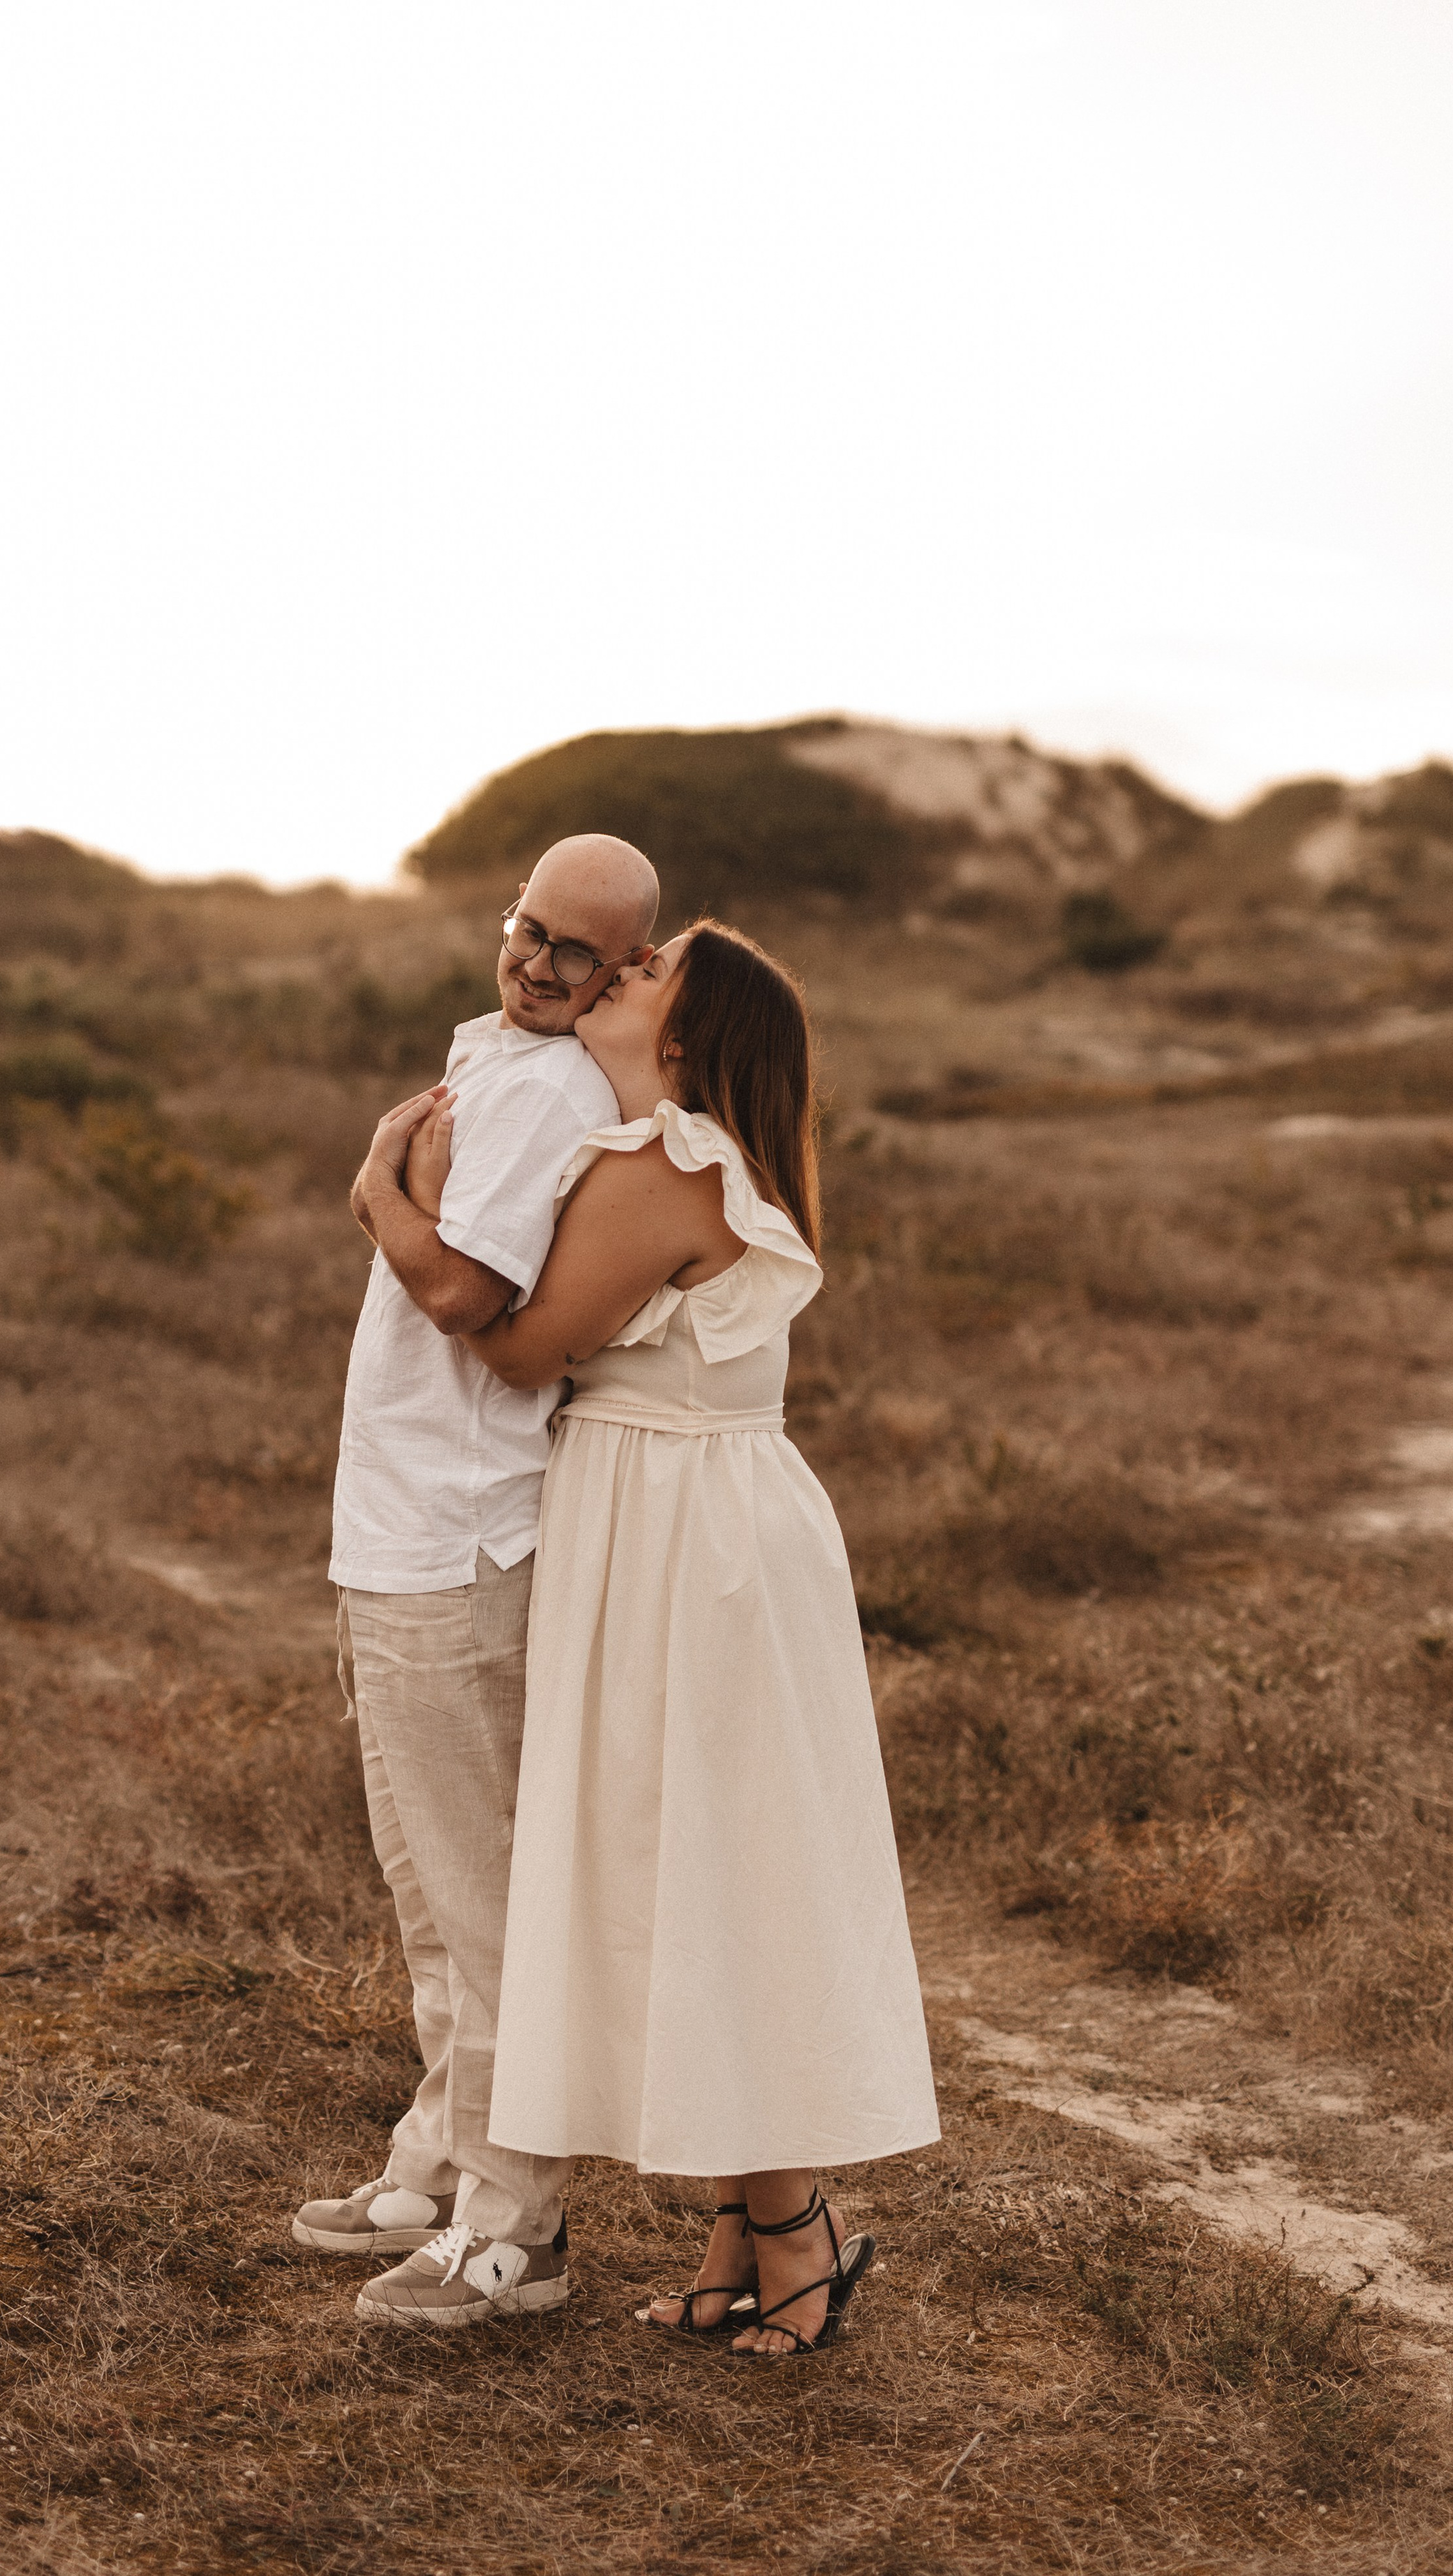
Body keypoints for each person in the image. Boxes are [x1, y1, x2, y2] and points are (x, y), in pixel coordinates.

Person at [380, 918, 939, 2355]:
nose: (611, 977)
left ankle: (790, 2225)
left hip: (685, 1542)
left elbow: (511, 1342)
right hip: (703, 1525)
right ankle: (740, 2226)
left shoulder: (660, 1165)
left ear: (681, 1041)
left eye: (643, 975)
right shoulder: (702, 1159)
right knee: (704, 1872)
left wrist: (387, 1202)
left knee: (711, 1868)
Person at [291, 833, 660, 2328]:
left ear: (626, 971)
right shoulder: (497, 1054)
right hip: (399, 1526)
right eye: (529, 928)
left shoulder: (551, 1091)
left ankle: (520, 2229)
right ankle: (438, 2159)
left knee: (480, 1896)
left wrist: (373, 1183)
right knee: (427, 1892)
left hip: (457, 1536)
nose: (539, 964)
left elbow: (468, 1293)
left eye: (578, 952)